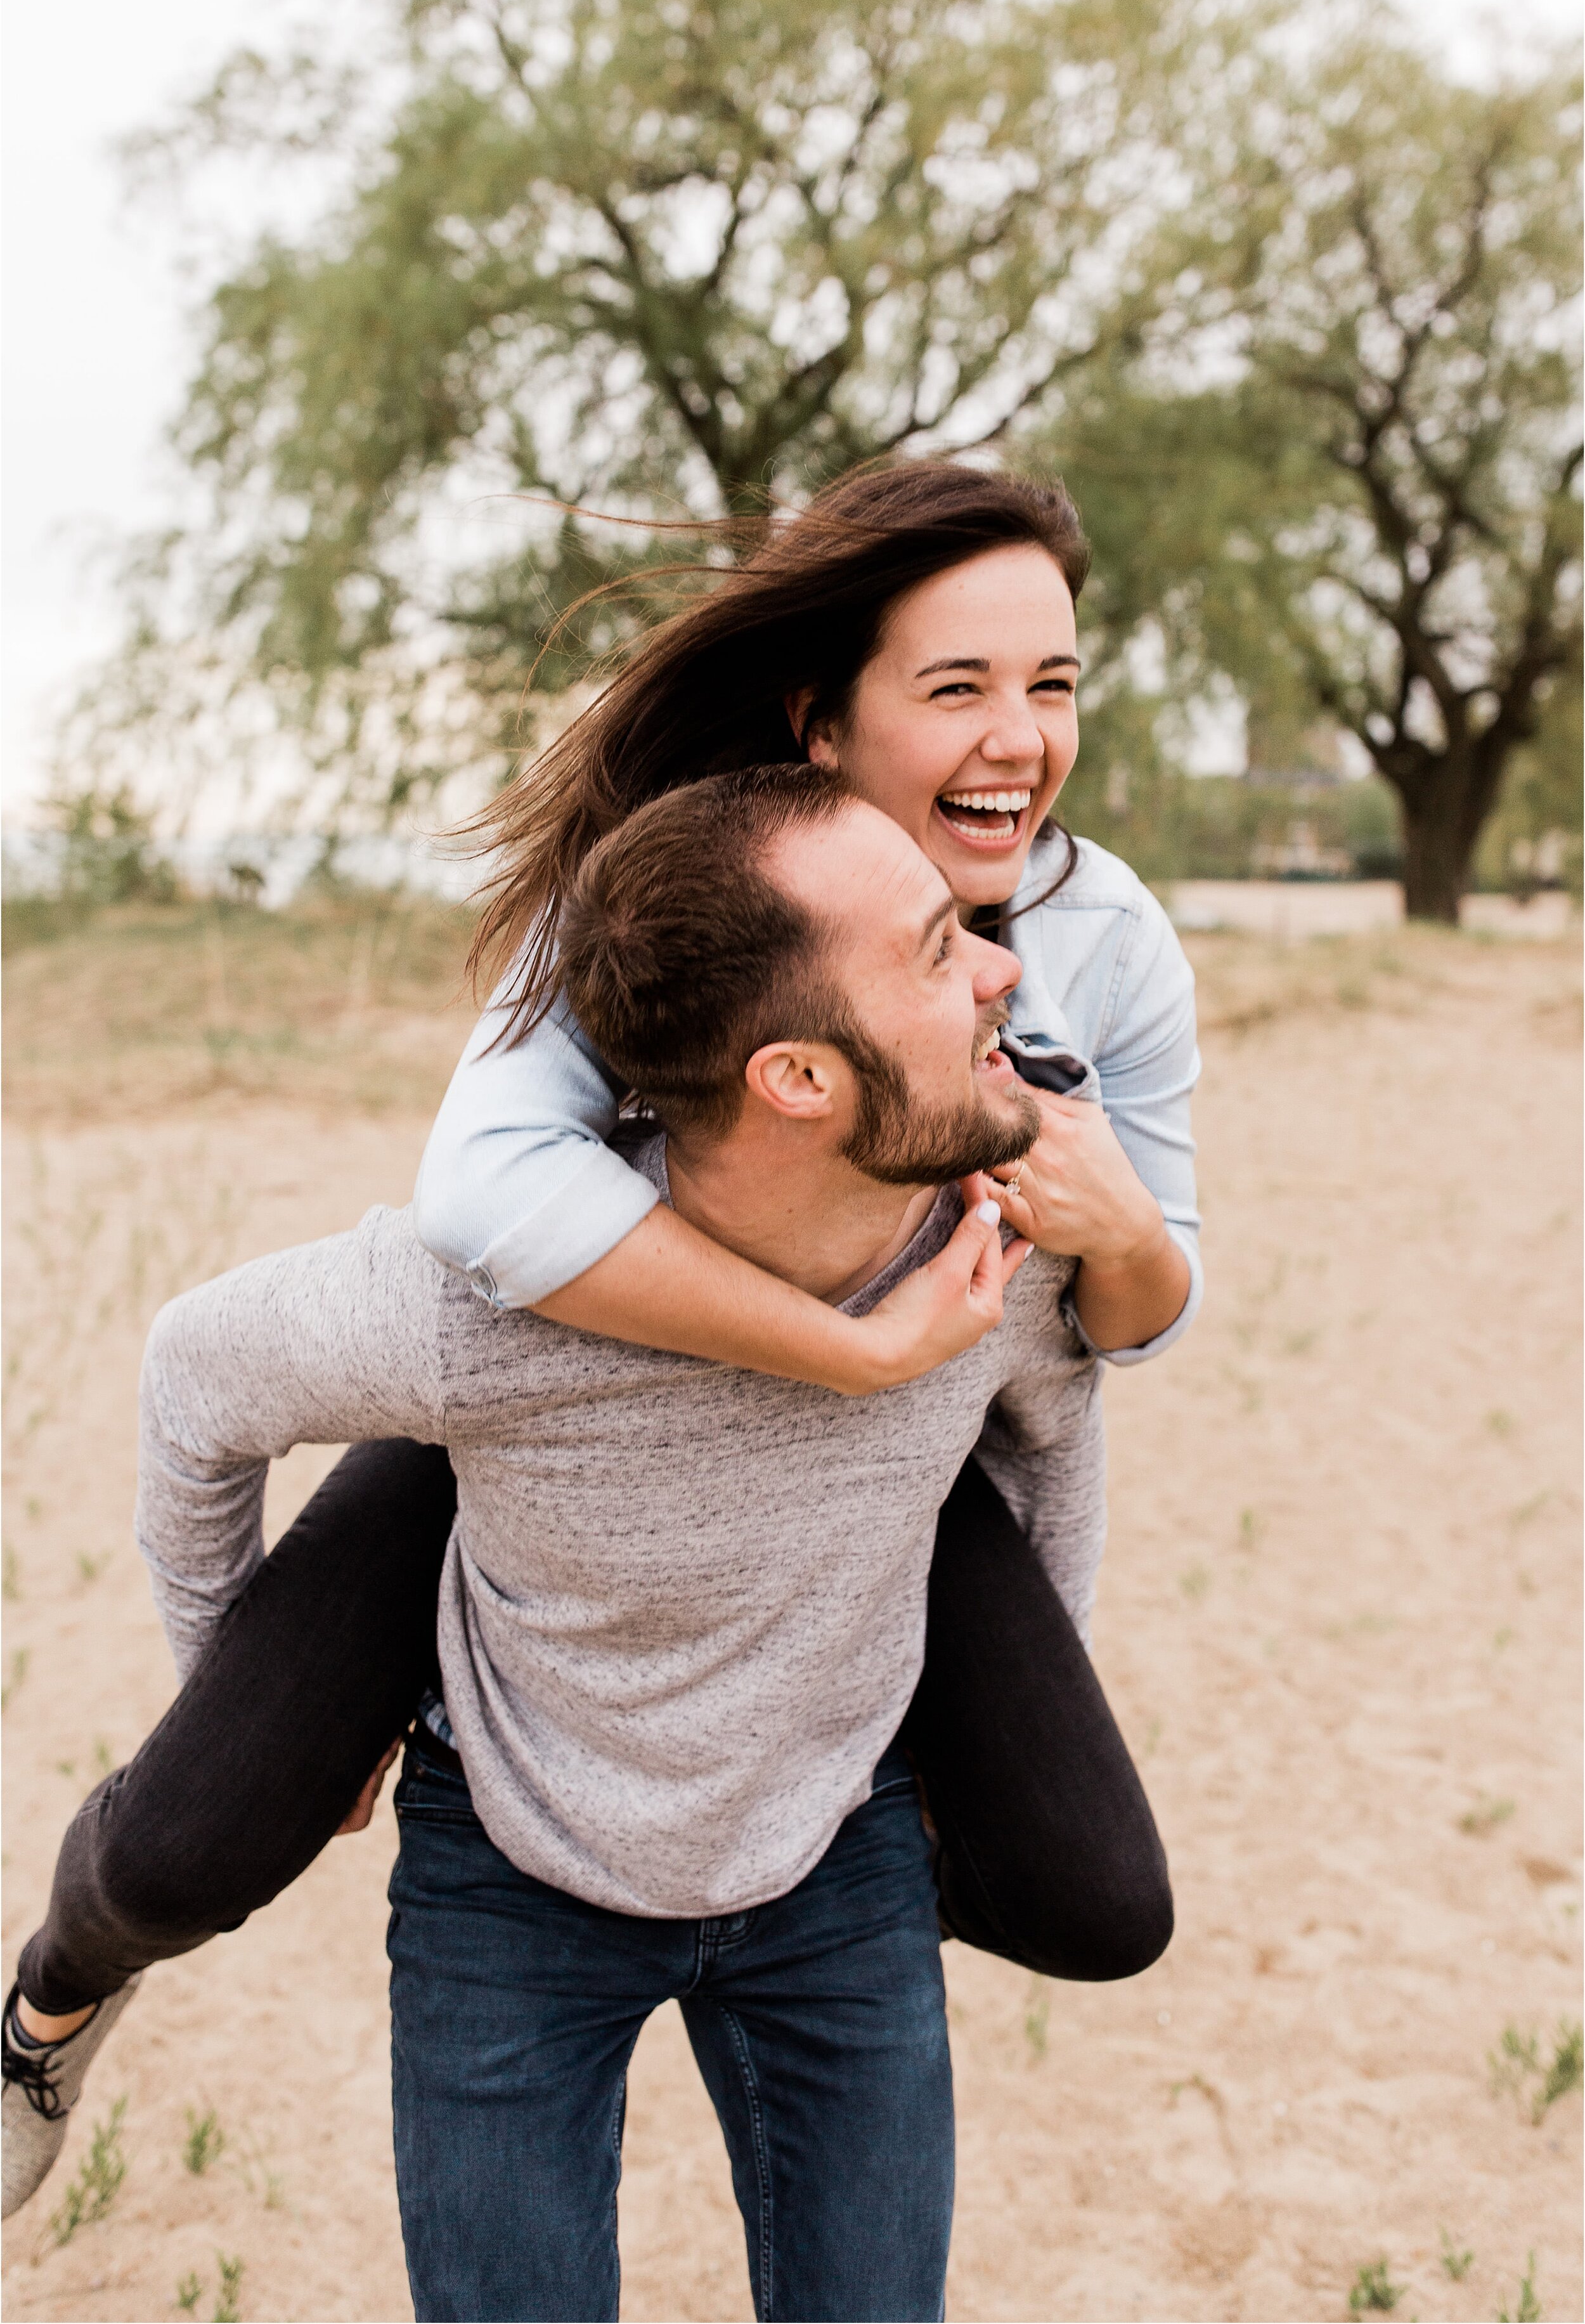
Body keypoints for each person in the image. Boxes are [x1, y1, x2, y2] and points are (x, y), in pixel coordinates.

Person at [3, 460, 1196, 2228]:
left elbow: (1110, 1339)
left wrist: (1106, 1240)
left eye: (1053, 683)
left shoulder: (1102, 942)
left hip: (900, 1435)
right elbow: (484, 1198)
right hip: (560, 1391)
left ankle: (795, 1900)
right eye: (955, 687)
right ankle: (48, 2006)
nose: (1017, 735)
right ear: (819, 721)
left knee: (1095, 1885)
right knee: (198, 1830)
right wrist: (838, 1352)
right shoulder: (638, 908)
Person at [107, 770, 1130, 2322]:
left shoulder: (1004, 1252)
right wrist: (248, 1683)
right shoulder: (478, 1303)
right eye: (937, 951)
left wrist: (971, 1766)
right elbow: (194, 1379)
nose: (1004, 968)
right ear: (796, 1076)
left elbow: (1055, 1435)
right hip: (510, 1873)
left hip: (837, 1859)